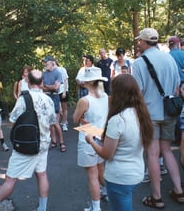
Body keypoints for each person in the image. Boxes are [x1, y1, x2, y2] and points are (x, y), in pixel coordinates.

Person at [0, 69, 56, 211]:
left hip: (27, 145)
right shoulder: (48, 100)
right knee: (42, 174)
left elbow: (13, 120)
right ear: (42, 82)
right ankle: (42, 208)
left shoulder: (23, 99)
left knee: (10, 179)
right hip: (43, 143)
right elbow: (52, 121)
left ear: (28, 81)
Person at [85, 74, 153, 211]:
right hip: (136, 171)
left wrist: (91, 140)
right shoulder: (141, 114)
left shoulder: (118, 120)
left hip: (119, 177)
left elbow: (106, 154)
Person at [132, 28, 184, 209]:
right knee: (167, 150)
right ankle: (178, 190)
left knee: (152, 154)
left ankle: (156, 197)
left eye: (140, 41)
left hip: (150, 113)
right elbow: (177, 88)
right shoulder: (169, 58)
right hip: (169, 112)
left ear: (145, 42)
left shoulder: (138, 63)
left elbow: (137, 93)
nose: (138, 43)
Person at [73, 67, 109, 211]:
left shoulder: (85, 100)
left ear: (88, 83)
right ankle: (107, 193)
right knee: (101, 170)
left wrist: (82, 119)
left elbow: (75, 118)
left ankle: (96, 207)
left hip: (88, 137)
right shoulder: (105, 96)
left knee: (92, 176)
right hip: (101, 136)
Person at [42, 55, 66, 152]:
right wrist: (48, 87)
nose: (45, 64)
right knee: (49, 122)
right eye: (44, 62)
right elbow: (41, 87)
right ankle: (54, 142)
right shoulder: (43, 73)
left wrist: (46, 86)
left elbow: (56, 88)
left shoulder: (58, 73)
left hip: (55, 97)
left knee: (56, 122)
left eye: (46, 62)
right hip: (46, 97)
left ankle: (62, 143)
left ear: (52, 63)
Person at [56, 60, 69, 132]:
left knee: (64, 108)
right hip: (55, 92)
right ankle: (57, 124)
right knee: (57, 109)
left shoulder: (62, 69)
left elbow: (65, 80)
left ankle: (64, 123)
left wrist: (64, 91)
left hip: (62, 90)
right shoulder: (50, 71)